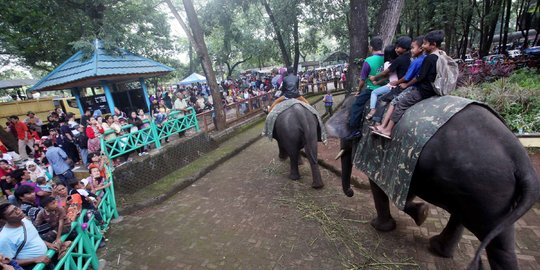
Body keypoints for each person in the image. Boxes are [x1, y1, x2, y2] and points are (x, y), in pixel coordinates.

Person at [374, 30, 444, 139]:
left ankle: (387, 130)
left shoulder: (428, 58)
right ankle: (384, 126)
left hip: (423, 90)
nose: (424, 46)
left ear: (433, 44)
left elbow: (419, 76)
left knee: (400, 103)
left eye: (425, 44)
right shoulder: (440, 55)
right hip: (431, 88)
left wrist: (406, 85)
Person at [372, 35, 426, 132]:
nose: (396, 49)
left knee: (383, 99)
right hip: (409, 84)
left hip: (404, 85)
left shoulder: (404, 60)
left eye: (398, 47)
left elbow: (403, 76)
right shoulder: (413, 58)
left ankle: (378, 122)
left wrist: (376, 78)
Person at [346, 36, 385, 139]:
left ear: (371, 47)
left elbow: (362, 80)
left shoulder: (368, 60)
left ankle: (355, 130)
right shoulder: (387, 57)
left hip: (372, 89)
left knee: (356, 105)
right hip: (386, 87)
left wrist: (358, 91)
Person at [367, 36, 412, 120]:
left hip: (397, 86)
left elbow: (386, 73)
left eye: (398, 47)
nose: (396, 49)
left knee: (381, 99)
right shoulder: (409, 58)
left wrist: (374, 77)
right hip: (403, 84)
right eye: (396, 47)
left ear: (405, 49)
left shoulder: (398, 60)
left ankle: (376, 119)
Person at [0, 204, 52, 269]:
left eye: (16, 208)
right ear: (4, 220)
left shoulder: (25, 220)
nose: (18, 212)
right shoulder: (4, 238)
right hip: (34, 266)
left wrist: (48, 244)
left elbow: (33, 237)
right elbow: (7, 262)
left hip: (46, 258)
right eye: (12, 213)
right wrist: (35, 259)